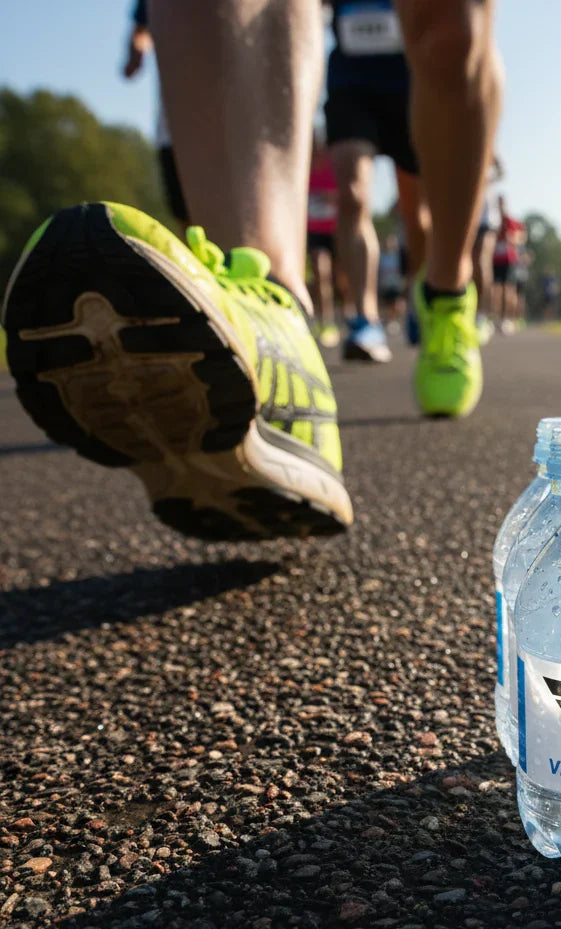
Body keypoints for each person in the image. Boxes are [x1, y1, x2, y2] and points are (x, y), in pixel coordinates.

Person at [1, 0, 502, 540]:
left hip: (412, 68)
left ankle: (447, 293)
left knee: (449, 36)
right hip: (352, 76)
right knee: (354, 194)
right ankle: (273, 309)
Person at [325, 0, 426, 364]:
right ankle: (364, 320)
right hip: (350, 85)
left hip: (412, 82)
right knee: (352, 197)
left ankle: (420, 297)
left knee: (417, 217)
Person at [122, 0, 188, 229]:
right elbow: (142, 28)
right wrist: (136, 52)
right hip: (174, 121)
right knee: (182, 208)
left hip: (231, 118)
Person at [307, 136, 342, 347]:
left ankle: (349, 313)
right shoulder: (302, 168)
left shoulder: (333, 164)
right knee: (321, 274)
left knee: (342, 280)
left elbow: (348, 192)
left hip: (336, 230)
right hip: (314, 231)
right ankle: (325, 321)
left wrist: (331, 197)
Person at [471, 155, 503, 344]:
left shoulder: (488, 154)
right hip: (468, 217)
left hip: (486, 219)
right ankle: (469, 308)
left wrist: (493, 158)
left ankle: (482, 314)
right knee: (468, 264)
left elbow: (501, 172)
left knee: (481, 262)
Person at [492, 194, 525, 334]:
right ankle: (496, 318)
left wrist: (511, 238)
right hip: (494, 260)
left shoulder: (511, 221)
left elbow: (521, 238)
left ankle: (508, 318)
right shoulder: (492, 221)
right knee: (495, 291)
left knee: (508, 290)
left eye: (501, 203)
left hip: (508, 260)